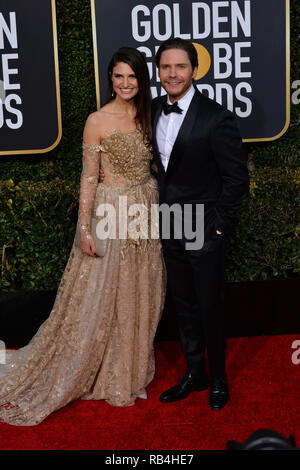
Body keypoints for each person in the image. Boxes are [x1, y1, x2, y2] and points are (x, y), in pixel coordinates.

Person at [0, 47, 166, 426]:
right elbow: (89, 176)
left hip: (146, 209)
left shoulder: (149, 115)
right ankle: (98, 368)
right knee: (103, 292)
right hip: (111, 211)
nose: (125, 83)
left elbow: (156, 160)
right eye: (119, 76)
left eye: (133, 76)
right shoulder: (97, 120)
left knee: (143, 287)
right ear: (110, 78)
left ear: (142, 79)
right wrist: (84, 230)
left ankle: (128, 367)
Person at [152, 38, 249, 409]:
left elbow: (236, 178)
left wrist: (219, 228)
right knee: (184, 304)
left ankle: (220, 379)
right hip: (170, 224)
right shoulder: (154, 111)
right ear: (158, 72)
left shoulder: (216, 117)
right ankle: (196, 373)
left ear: (194, 70)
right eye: (165, 67)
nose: (172, 74)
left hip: (205, 228)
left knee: (209, 306)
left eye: (180, 66)